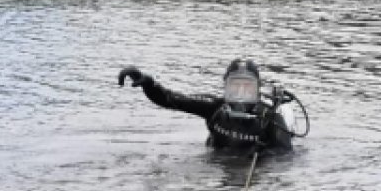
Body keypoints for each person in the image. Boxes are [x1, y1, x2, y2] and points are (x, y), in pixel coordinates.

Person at [118, 59, 293, 151]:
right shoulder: (214, 108)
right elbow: (171, 99)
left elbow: (286, 160)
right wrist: (149, 84)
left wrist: (264, 153)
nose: (240, 96)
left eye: (246, 89)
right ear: (225, 88)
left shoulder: (270, 119)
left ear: (257, 91)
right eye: (234, 88)